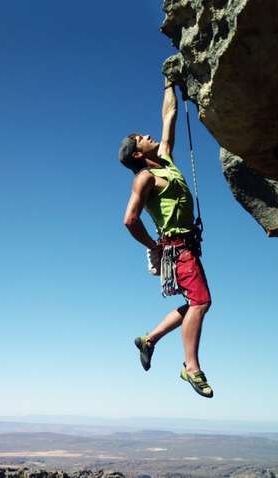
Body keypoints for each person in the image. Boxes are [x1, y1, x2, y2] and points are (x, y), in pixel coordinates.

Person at [118, 77, 214, 398]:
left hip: (187, 246)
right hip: (177, 248)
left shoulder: (165, 161)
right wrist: (154, 245)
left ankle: (149, 340)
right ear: (135, 154)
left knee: (195, 301)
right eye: (139, 138)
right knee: (201, 302)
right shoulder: (145, 177)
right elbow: (130, 220)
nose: (147, 136)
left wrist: (167, 83)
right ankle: (191, 367)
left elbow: (169, 117)